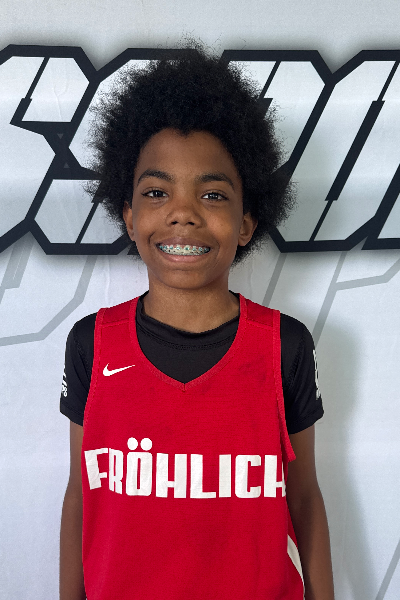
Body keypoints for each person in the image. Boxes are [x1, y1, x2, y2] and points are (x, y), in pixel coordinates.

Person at [59, 44, 335, 600]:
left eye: (211, 194)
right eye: (156, 192)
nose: (183, 212)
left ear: (246, 222)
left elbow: (303, 496)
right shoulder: (92, 343)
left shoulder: (284, 345)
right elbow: (81, 493)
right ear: (130, 216)